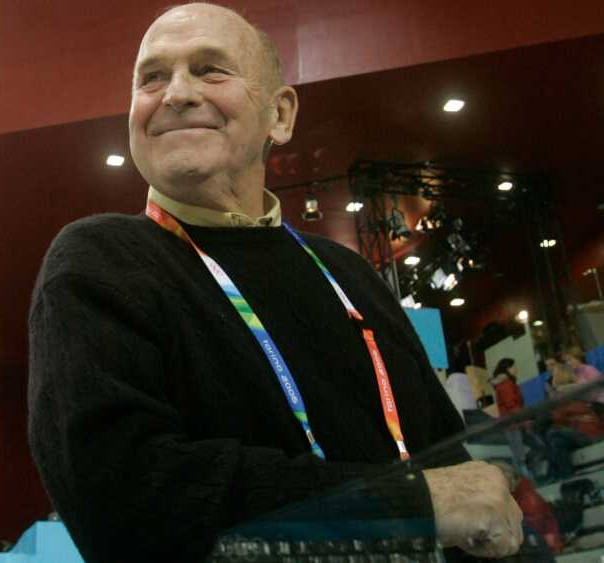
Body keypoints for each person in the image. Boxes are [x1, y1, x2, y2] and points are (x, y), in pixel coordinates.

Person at [27, 4, 522, 562]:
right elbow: (123, 497)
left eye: (210, 69)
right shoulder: (100, 261)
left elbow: (453, 478)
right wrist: (403, 503)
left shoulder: (349, 275)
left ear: (280, 115)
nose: (177, 93)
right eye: (153, 77)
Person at [563, 346, 604, 413]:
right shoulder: (576, 374)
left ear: (578, 358)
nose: (568, 363)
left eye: (570, 359)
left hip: (600, 403)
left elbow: (596, 391)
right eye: (566, 361)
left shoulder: (589, 369)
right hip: (592, 404)